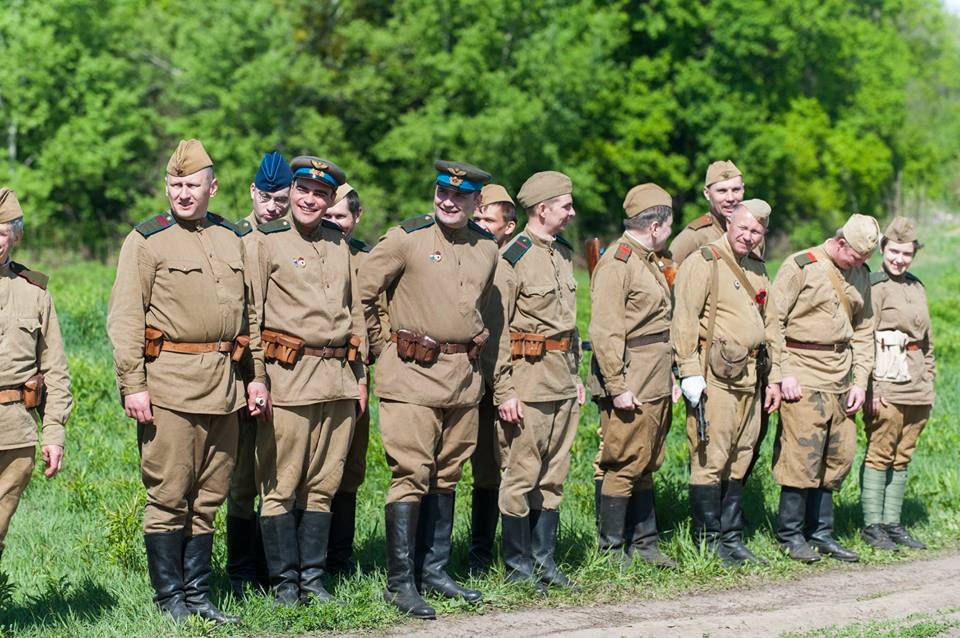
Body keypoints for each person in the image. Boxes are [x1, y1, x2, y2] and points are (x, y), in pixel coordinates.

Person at [107, 139, 270, 623]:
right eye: (175, 185)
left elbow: (250, 318)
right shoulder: (147, 240)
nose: (182, 194)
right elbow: (125, 320)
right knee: (169, 495)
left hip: (224, 388)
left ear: (212, 188)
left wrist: (255, 378)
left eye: (192, 185)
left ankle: (199, 596)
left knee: (209, 495)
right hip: (169, 389)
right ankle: (169, 601)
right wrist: (132, 384)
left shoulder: (230, 237)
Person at [358, 160, 498, 619]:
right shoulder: (407, 238)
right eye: (442, 192)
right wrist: (381, 347)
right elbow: (362, 293)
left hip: (463, 380)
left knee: (447, 474)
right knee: (412, 474)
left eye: (460, 196)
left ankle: (434, 571)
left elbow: (485, 313)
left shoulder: (487, 248)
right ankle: (400, 583)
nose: (448, 201)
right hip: (412, 379)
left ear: (477, 201)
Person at [248, 156, 366, 606]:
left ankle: (313, 581)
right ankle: (284, 586)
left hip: (336, 380)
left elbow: (353, 313)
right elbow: (253, 315)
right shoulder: (267, 242)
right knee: (280, 485)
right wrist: (257, 379)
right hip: (289, 380)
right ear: (292, 193)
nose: (310, 199)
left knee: (323, 484)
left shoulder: (339, 243)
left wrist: (358, 377)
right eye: (303, 190)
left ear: (332, 200)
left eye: (321, 194)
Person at [672, 199, 783, 566]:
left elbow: (769, 324)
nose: (749, 237)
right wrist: (688, 370)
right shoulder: (704, 261)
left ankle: (732, 538)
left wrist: (773, 378)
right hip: (714, 378)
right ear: (730, 222)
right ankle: (709, 539)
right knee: (711, 457)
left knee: (741, 455)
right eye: (744, 228)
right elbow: (684, 318)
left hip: (751, 376)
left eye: (757, 232)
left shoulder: (756, 267)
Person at [491, 171, 585, 592]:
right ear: (542, 208)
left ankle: (544, 560)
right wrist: (504, 390)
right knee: (521, 474)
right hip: (527, 384)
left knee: (553, 477)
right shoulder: (512, 258)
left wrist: (577, 376)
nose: (572, 212)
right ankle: (517, 567)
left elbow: (569, 325)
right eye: (565, 205)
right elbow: (497, 332)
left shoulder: (563, 254)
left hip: (562, 381)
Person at [771, 213, 879, 563]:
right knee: (801, 456)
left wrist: (860, 382)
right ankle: (790, 535)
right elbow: (774, 322)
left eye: (866, 259)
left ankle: (821, 533)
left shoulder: (860, 275)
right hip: (802, 373)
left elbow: (864, 332)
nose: (861, 264)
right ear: (841, 242)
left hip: (841, 377)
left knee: (838, 456)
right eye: (857, 256)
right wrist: (783, 372)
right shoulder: (801, 265)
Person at [589, 184, 677, 568]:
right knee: (623, 461)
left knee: (646, 460)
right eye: (669, 225)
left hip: (653, 373)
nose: (670, 232)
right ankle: (612, 550)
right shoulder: (619, 262)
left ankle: (645, 543)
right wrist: (617, 386)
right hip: (632, 376)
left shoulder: (647, 259)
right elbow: (606, 330)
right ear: (655, 225)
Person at [227, 151, 293, 597]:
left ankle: (275, 570)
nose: (273, 206)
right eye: (266, 197)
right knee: (240, 476)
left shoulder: (294, 239)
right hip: (239, 371)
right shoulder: (232, 237)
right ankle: (239, 572)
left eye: (281, 199)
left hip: (283, 376)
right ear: (253, 192)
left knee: (277, 472)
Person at [0, 188, 72, 564]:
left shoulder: (35, 293)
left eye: (0, 231)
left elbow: (55, 370)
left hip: (15, 430)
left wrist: (54, 433)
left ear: (16, 236)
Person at [860, 217, 934, 551]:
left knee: (903, 455)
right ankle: (872, 525)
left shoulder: (917, 286)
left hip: (916, 382)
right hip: (887, 380)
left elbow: (926, 341)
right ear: (882, 249)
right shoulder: (874, 285)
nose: (899, 259)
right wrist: (872, 388)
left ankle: (893, 523)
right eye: (894, 252)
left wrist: (929, 381)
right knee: (880, 451)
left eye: (906, 254)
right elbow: (863, 340)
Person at [322, 182, 375, 574]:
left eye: (340, 216)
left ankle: (339, 560)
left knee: (349, 469)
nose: (333, 222)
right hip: (310, 375)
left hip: (356, 375)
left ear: (356, 218)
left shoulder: (367, 260)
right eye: (328, 215)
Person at [469, 183, 517, 574]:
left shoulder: (510, 264)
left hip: (503, 379)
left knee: (504, 465)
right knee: (478, 468)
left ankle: (495, 551)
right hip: (468, 379)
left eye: (490, 220)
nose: (482, 224)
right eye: (478, 217)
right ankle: (478, 551)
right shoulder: (464, 256)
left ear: (509, 227)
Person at [668, 160, 745, 265]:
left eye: (736, 190)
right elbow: (667, 276)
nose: (730, 198)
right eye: (722, 191)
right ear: (707, 193)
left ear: (743, 190)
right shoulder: (693, 237)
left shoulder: (752, 233)